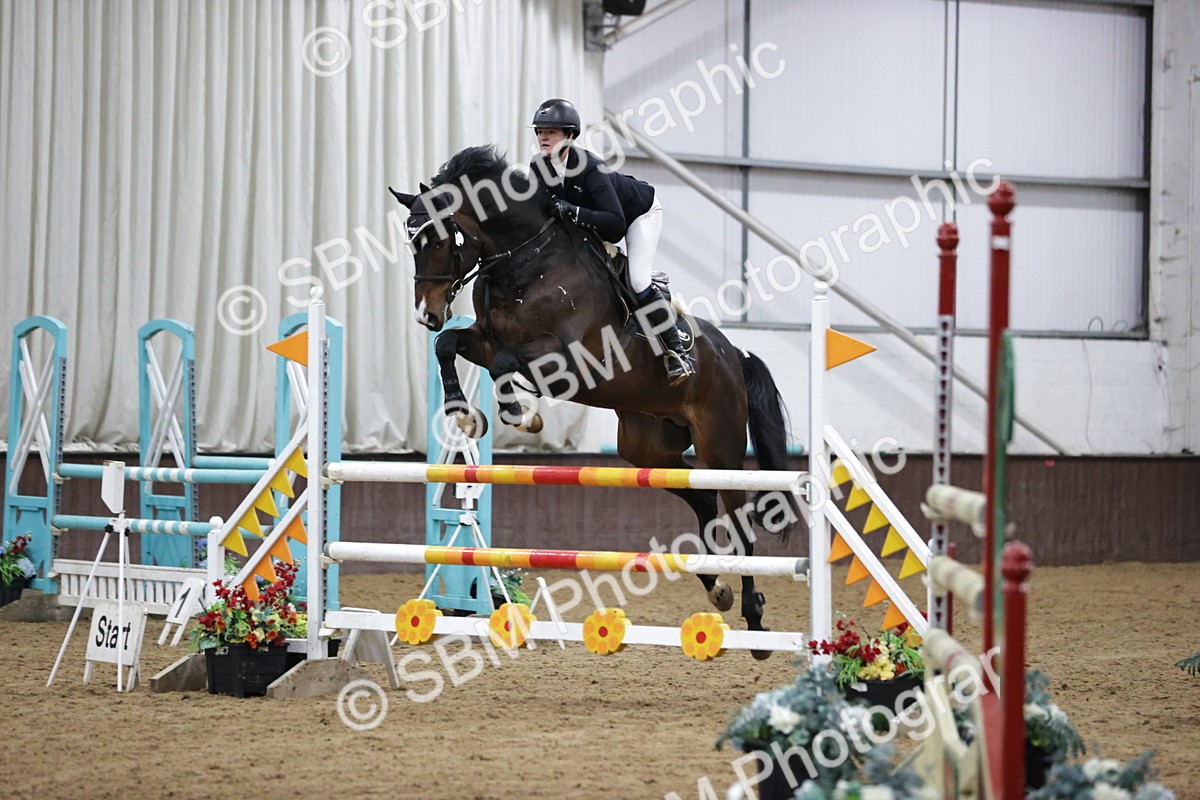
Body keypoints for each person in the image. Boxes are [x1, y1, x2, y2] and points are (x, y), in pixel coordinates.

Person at [527, 98, 694, 385]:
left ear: (569, 135)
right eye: (540, 131)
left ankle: (677, 352)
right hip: (593, 224)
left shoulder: (590, 167)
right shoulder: (538, 166)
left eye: (551, 131)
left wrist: (573, 211)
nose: (543, 136)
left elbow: (615, 225)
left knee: (638, 280)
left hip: (638, 215)